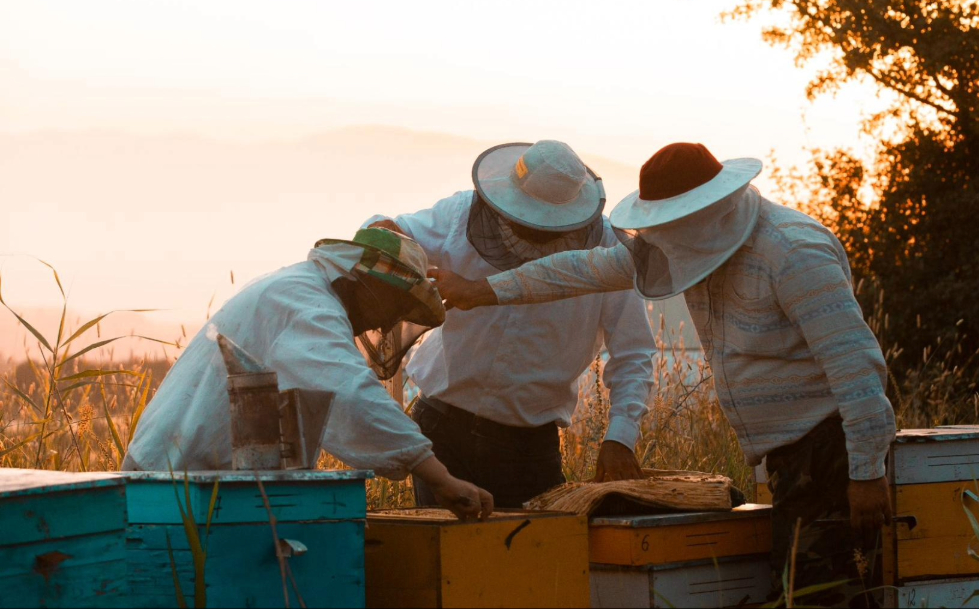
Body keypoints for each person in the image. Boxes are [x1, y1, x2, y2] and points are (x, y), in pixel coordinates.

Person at [432, 142, 897, 576]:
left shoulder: (794, 252)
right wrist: (481, 291)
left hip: (829, 450)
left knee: (816, 591)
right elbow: (579, 269)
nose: (664, 234)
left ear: (709, 208)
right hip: (792, 456)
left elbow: (856, 367)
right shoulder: (689, 244)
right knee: (803, 586)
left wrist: (866, 472)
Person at [124, 226, 493, 520]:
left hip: (191, 478)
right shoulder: (306, 306)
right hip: (172, 482)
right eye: (395, 307)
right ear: (371, 286)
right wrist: (440, 478)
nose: (388, 321)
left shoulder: (299, 288)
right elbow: (350, 393)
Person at [363, 140, 656, 509]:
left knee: (529, 562)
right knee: (446, 561)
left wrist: (620, 437)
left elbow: (634, 352)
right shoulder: (460, 214)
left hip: (528, 450)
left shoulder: (611, 253)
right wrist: (390, 239)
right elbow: (387, 230)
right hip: (441, 428)